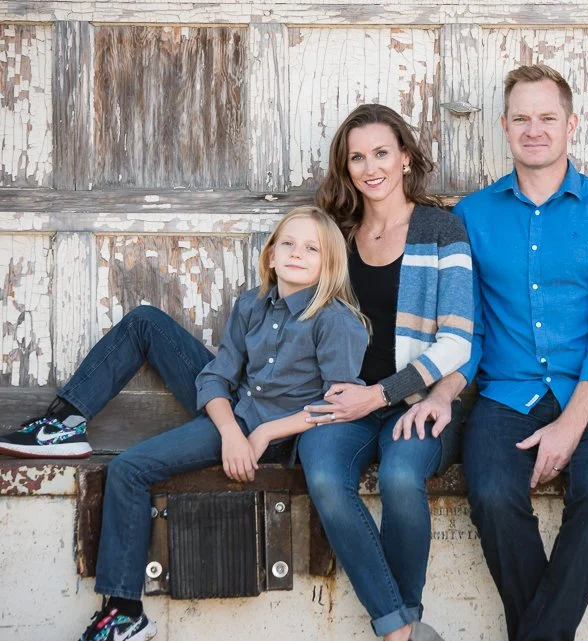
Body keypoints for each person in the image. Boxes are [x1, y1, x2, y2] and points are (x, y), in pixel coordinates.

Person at [5, 206, 370, 641]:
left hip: (275, 435)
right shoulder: (252, 304)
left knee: (128, 469)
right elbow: (217, 376)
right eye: (288, 243)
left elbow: (337, 406)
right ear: (271, 255)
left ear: (329, 264)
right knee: (145, 321)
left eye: (312, 248)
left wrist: (262, 433)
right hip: (234, 417)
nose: (296, 253)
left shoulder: (336, 321)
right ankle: (64, 423)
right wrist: (230, 431)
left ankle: (124, 614)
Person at [398, 64, 588, 641]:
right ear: (505, 127)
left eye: (547, 118)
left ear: (571, 125)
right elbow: (470, 330)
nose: (535, 130)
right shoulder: (473, 215)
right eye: (522, 118)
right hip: (505, 396)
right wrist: (443, 392)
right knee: (490, 494)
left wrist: (571, 427)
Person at [300, 103, 473, 641]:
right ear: (345, 166)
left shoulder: (441, 228)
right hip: (345, 401)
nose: (370, 167)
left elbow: (457, 341)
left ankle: (404, 615)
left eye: (381, 153)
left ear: (404, 158)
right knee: (324, 476)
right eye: (357, 157)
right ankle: (402, 631)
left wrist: (379, 395)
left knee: (400, 478)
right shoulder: (337, 233)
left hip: (414, 400)